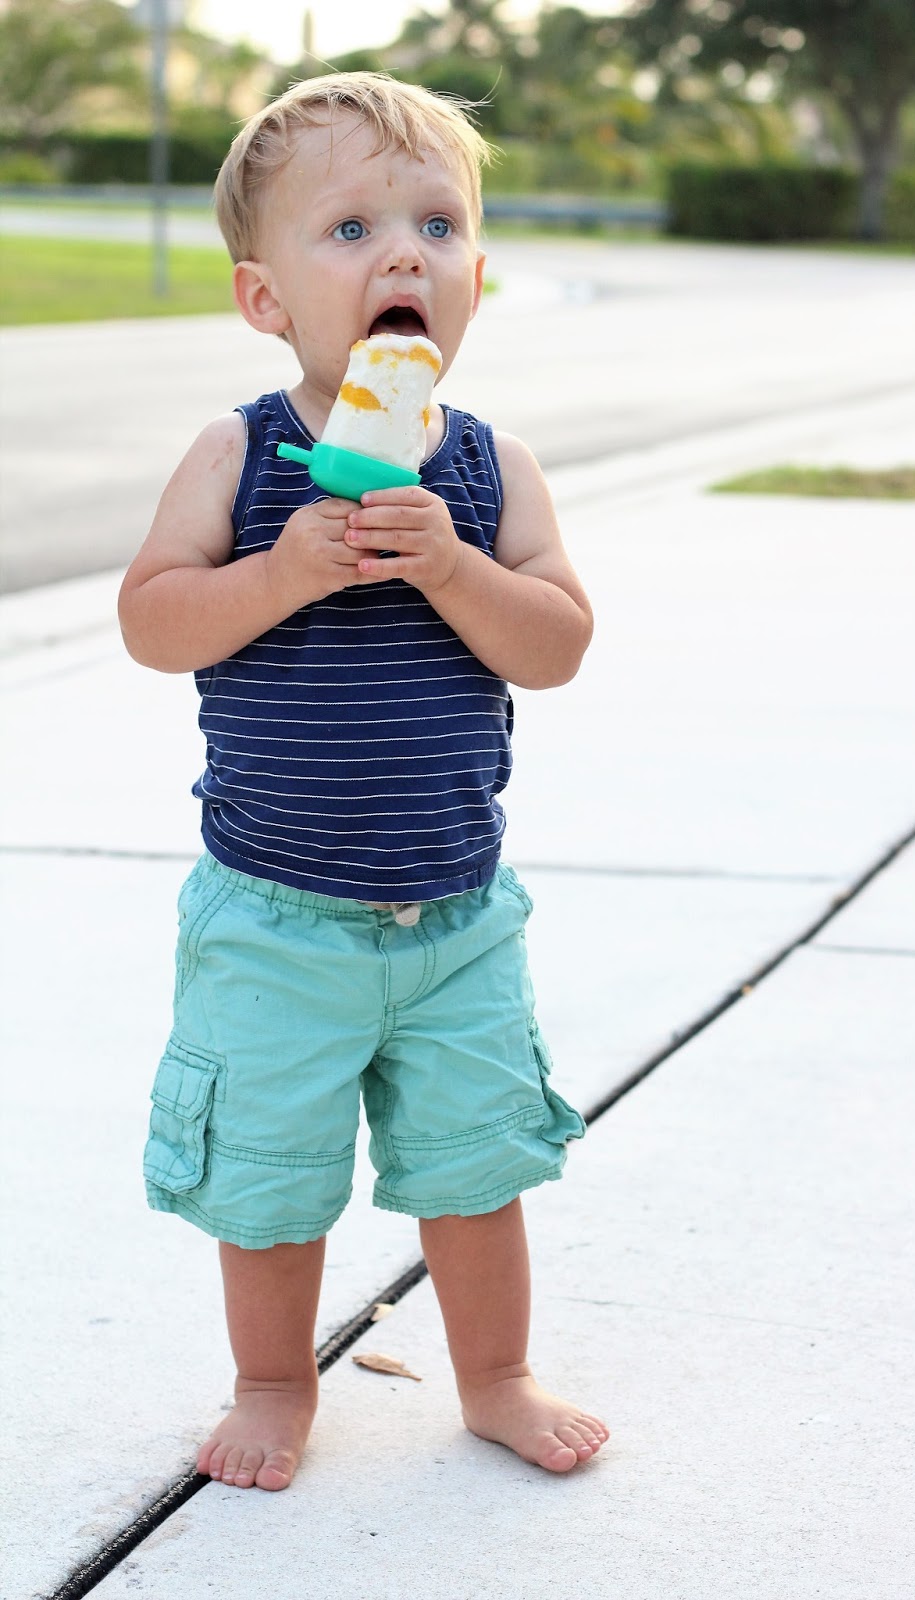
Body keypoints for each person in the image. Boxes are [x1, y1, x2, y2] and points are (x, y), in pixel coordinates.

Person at [118, 72, 606, 1493]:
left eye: (437, 224)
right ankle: (274, 1379)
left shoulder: (486, 466)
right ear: (264, 301)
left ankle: (497, 1374)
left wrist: (452, 562)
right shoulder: (241, 454)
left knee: (474, 1170)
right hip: (273, 921)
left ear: (472, 278)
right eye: (350, 231)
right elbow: (155, 622)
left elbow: (558, 643)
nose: (405, 253)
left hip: (455, 922)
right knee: (267, 1180)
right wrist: (279, 572)